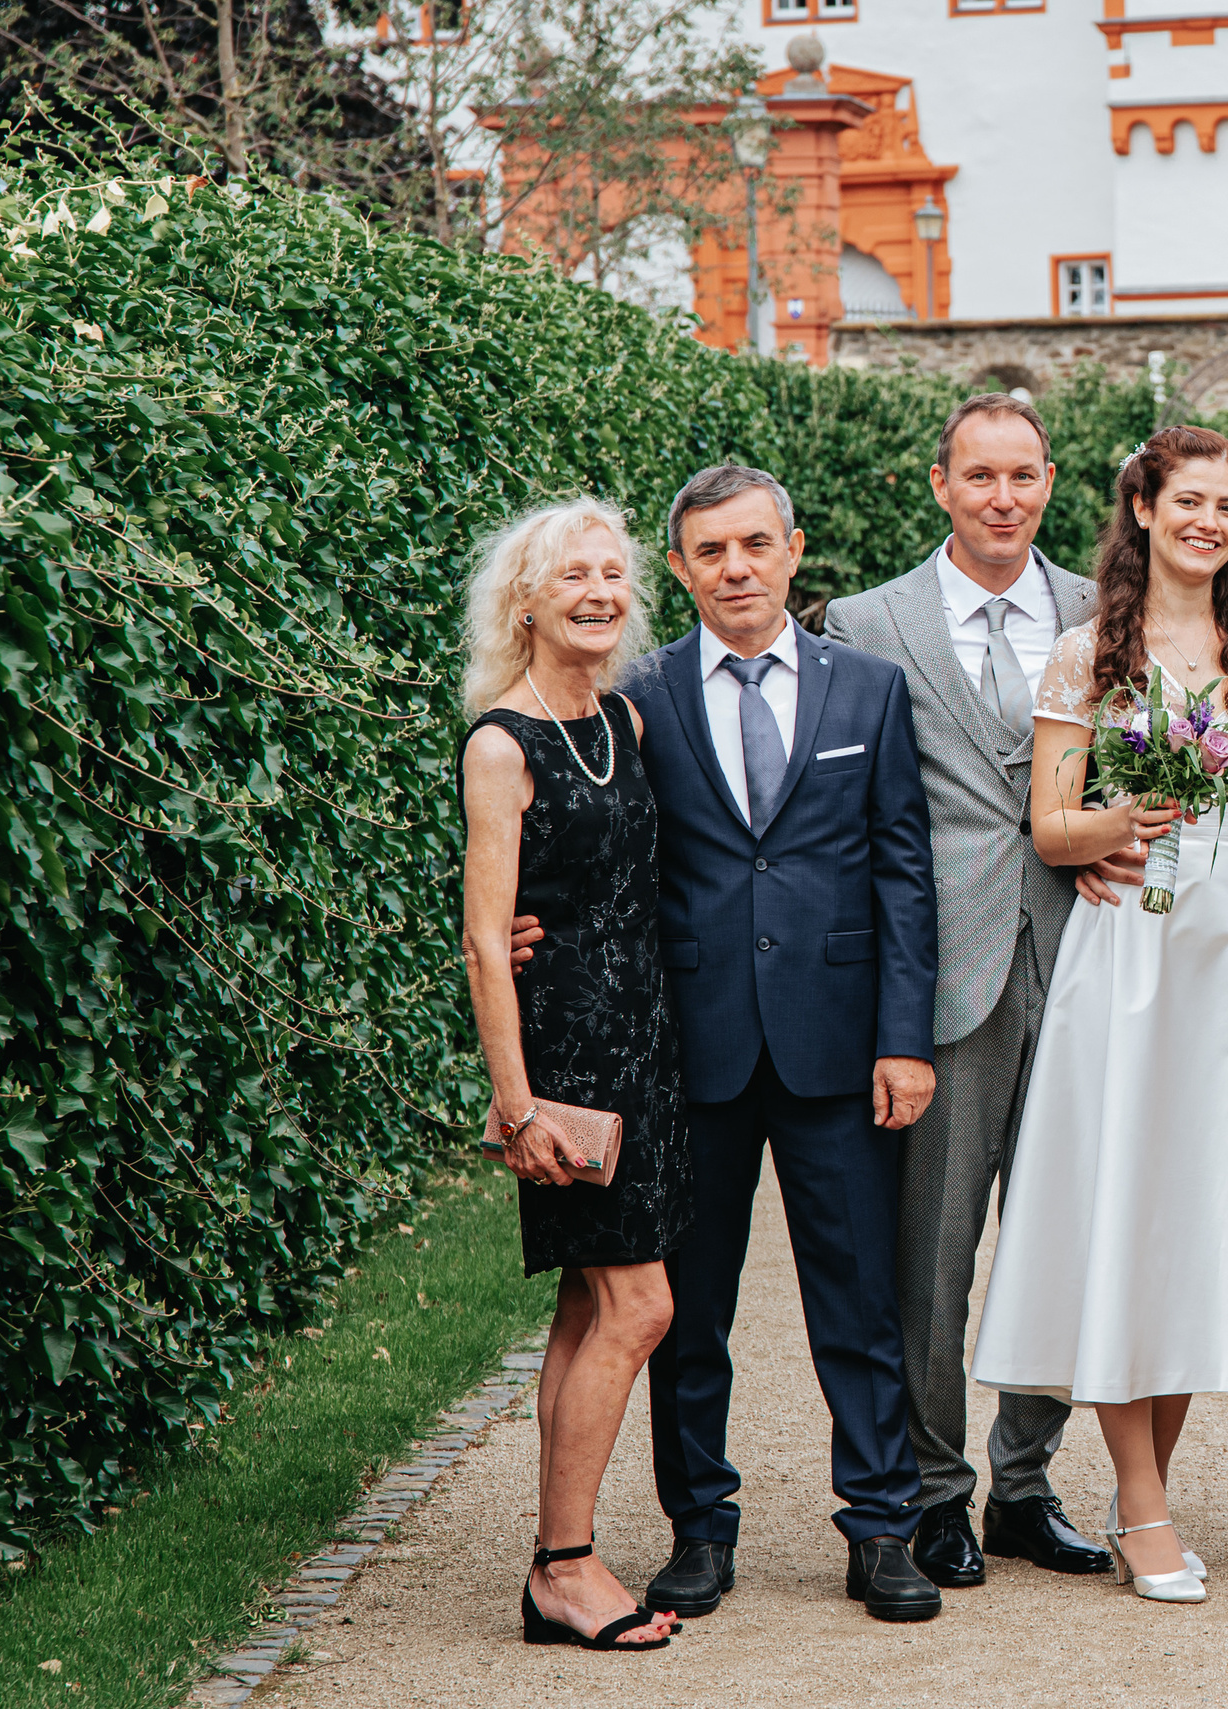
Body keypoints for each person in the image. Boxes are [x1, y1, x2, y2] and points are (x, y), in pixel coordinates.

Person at [970, 424, 1228, 1606]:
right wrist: (1123, 821)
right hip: (1128, 957)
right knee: (1126, 1208)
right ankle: (1144, 1504)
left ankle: (1138, 1491)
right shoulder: (1085, 655)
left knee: (1199, 1220)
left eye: (1227, 506)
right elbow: (1051, 827)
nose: (1209, 522)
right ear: (1145, 510)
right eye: (1189, 502)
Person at [619, 464, 943, 1623]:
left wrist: (904, 1038)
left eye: (754, 544)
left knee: (857, 1300)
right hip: (691, 1052)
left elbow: (904, 872)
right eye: (710, 551)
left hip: (839, 1044)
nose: (736, 568)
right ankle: (698, 1528)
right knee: (689, 1307)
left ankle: (881, 1527)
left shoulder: (868, 690)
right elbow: (608, 858)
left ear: (794, 549)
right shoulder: (639, 693)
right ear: (681, 569)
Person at [824, 394, 1112, 1588]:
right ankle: (936, 1489)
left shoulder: (1105, 612)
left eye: (1024, 477)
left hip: (1088, 954)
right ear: (940, 483)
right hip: (944, 966)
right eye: (980, 476)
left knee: (1065, 1232)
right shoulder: (864, 621)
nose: (1004, 498)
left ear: (1051, 482)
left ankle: (1026, 1480)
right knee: (932, 1247)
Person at [457, 498, 688, 1652]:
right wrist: (515, 1104)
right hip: (567, 1064)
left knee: (583, 1310)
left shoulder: (624, 722)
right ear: (527, 601)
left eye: (612, 571)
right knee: (643, 1303)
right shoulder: (502, 741)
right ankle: (566, 1562)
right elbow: (486, 938)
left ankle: (558, 1558)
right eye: (572, 574)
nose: (598, 589)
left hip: (642, 1048)